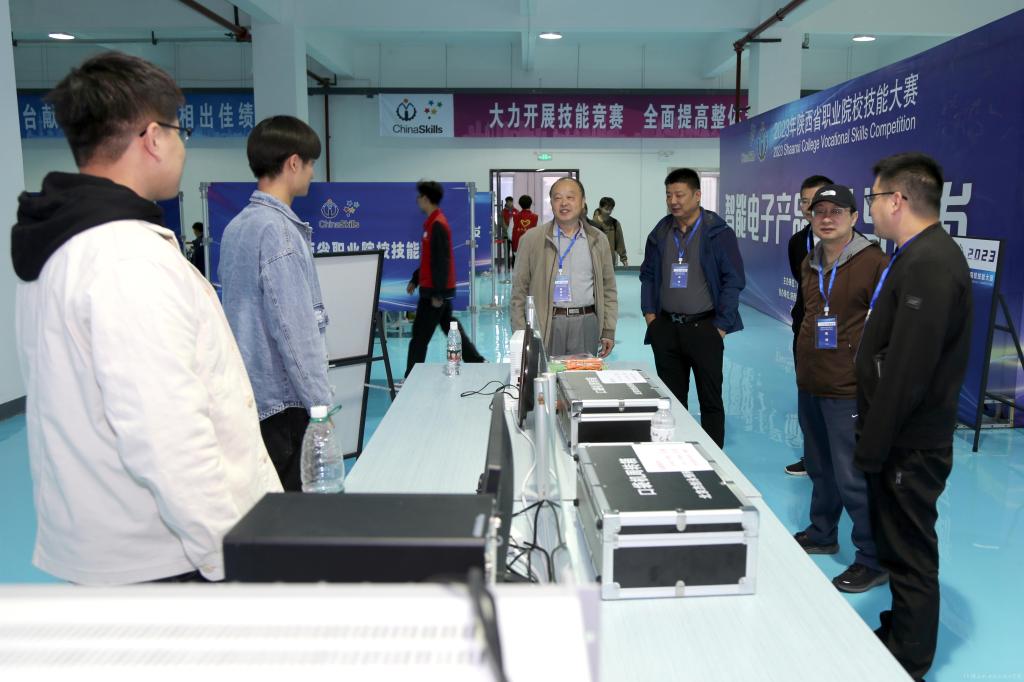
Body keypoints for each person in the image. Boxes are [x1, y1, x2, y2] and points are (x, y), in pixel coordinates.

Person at [10, 52, 282, 585]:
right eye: (181, 133)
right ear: (154, 138)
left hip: (113, 546)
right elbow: (168, 438)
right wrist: (232, 559)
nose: (182, 148)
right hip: (168, 558)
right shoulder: (126, 260)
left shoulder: (68, 245)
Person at [856, 153, 971, 682]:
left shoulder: (930, 262)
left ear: (897, 199)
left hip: (910, 442)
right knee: (897, 542)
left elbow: (908, 371)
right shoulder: (915, 254)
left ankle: (910, 659)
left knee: (910, 549)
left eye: (874, 197)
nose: (871, 208)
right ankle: (899, 630)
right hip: (899, 435)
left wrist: (873, 446)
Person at [219, 115, 331, 492]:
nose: (313, 173)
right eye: (311, 163)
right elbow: (295, 332)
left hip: (251, 400)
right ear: (293, 163)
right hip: (285, 407)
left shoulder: (236, 227)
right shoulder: (279, 232)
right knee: (296, 513)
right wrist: (320, 407)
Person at [791, 184, 889, 593]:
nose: (827, 218)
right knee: (819, 466)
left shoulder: (875, 263)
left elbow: (888, 330)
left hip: (848, 386)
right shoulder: (810, 261)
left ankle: (873, 559)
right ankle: (822, 532)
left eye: (836, 211)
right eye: (819, 211)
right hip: (812, 379)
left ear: (854, 217)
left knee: (852, 475)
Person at [639, 168, 745, 448]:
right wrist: (651, 317)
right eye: (668, 195)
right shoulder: (661, 232)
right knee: (671, 400)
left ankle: (713, 459)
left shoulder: (717, 233)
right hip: (666, 328)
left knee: (710, 399)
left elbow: (733, 280)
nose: (673, 201)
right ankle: (675, 454)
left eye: (680, 195)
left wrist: (721, 327)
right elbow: (648, 275)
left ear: (697, 195)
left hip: (705, 328)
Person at [511, 177, 617, 357]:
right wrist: (521, 333)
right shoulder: (531, 240)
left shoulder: (598, 240)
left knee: (583, 375)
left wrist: (608, 329)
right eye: (557, 198)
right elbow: (519, 291)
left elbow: (609, 289)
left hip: (586, 323)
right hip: (547, 324)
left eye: (570, 197)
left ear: (583, 202)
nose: (564, 203)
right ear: (551, 203)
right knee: (546, 374)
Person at [405, 180, 486, 376]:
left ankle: (411, 376)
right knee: (449, 324)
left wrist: (438, 294)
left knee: (420, 336)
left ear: (426, 199)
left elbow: (441, 261)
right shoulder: (432, 224)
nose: (417, 200)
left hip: (434, 291)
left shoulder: (438, 225)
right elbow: (429, 260)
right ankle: (476, 360)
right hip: (434, 288)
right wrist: (415, 279)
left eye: (419, 196)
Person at [785, 174, 833, 476]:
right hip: (804, 329)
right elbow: (802, 284)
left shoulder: (859, 245)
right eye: (805, 201)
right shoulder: (796, 242)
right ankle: (812, 457)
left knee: (839, 398)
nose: (810, 207)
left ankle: (840, 461)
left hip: (843, 335)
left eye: (816, 200)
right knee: (807, 394)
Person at [592, 196, 628, 267]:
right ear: (600, 207)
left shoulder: (615, 223)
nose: (608, 212)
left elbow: (620, 242)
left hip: (610, 259)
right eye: (606, 209)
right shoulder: (593, 223)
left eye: (611, 209)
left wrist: (624, 259)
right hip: (595, 259)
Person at [510, 194, 539, 269]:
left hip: (517, 247)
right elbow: (540, 233)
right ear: (530, 204)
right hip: (532, 247)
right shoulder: (536, 217)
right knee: (531, 268)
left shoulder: (514, 217)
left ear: (520, 204)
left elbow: (509, 233)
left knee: (519, 268)